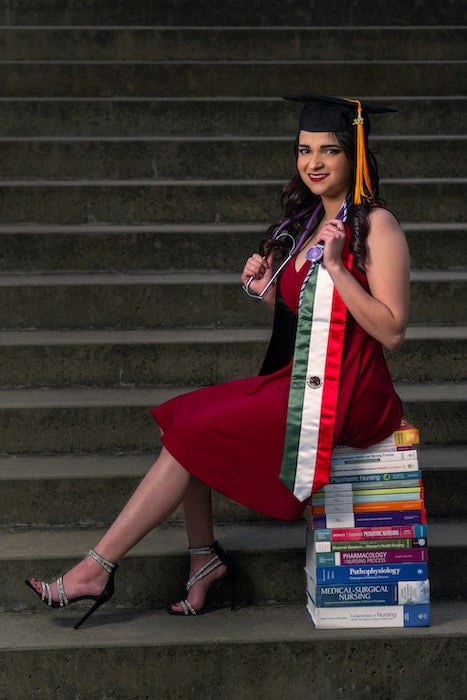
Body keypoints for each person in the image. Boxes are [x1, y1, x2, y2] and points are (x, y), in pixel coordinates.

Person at [25, 94, 410, 627]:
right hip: (307, 376)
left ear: (355, 157)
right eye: (304, 150)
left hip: (351, 391)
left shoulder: (377, 226)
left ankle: (97, 568)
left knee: (193, 436)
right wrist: (267, 289)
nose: (314, 163)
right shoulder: (305, 223)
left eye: (329, 151)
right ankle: (203, 560)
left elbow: (391, 330)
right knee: (182, 420)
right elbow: (315, 316)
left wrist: (341, 268)